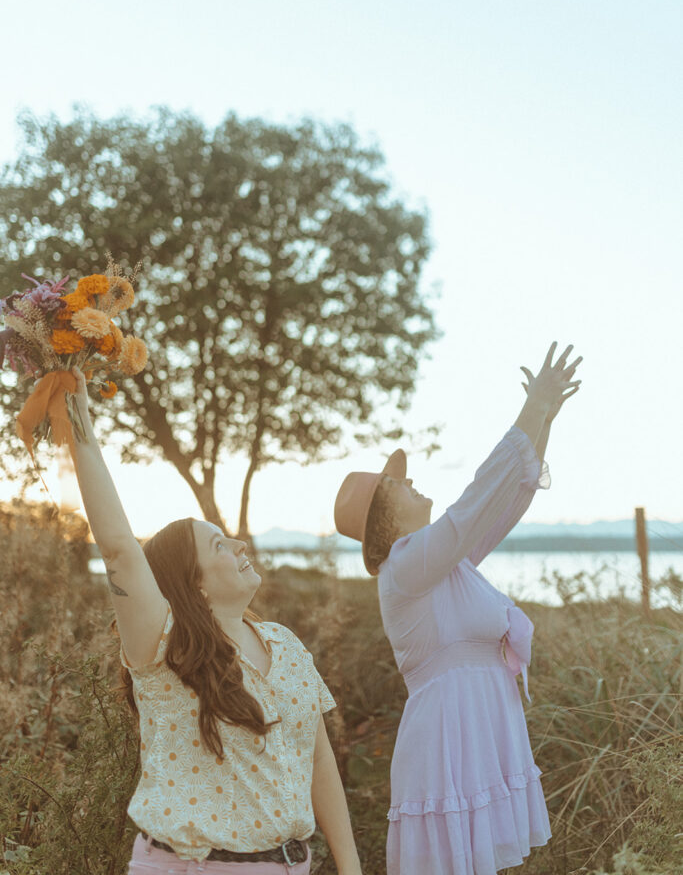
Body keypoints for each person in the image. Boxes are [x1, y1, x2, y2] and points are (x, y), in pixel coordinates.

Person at [66, 367, 363, 875]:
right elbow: (118, 546)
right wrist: (77, 419)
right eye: (219, 545)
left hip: (293, 865)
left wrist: (351, 867)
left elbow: (318, 761)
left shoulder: (285, 644)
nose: (240, 545)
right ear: (193, 581)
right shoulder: (163, 646)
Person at [334, 342, 582, 875]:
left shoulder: (447, 562)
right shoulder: (406, 567)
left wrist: (544, 420)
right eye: (400, 484)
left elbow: (506, 501)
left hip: (481, 725)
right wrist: (529, 408)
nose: (413, 481)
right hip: (450, 737)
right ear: (383, 521)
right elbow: (471, 507)